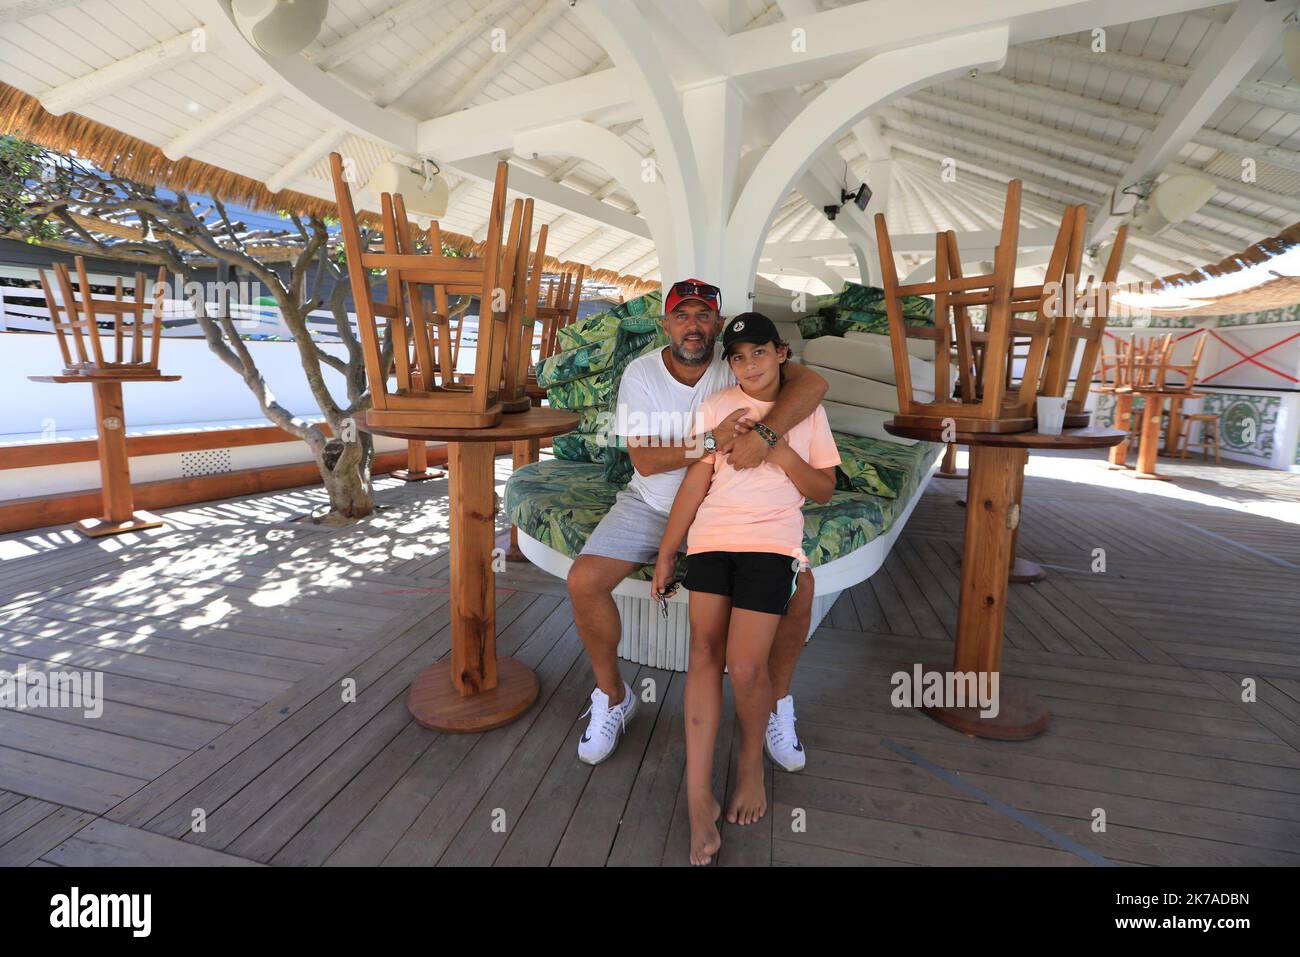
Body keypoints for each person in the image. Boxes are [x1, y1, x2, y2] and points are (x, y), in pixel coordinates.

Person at [566, 280, 828, 770]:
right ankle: (613, 695)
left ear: (718, 325)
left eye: (703, 316)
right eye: (682, 316)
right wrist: (712, 440)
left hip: (724, 510)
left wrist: (768, 435)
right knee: (583, 581)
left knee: (802, 590)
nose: (693, 326)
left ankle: (777, 703)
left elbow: (813, 385)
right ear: (666, 324)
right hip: (651, 505)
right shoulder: (641, 374)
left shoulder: (736, 363)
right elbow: (644, 462)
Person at [651, 311, 840, 865]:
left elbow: (824, 489)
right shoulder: (717, 407)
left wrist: (778, 451)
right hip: (711, 541)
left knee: (748, 666)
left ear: (782, 353)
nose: (749, 365)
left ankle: (751, 767)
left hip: (771, 547)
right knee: (703, 653)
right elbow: (697, 479)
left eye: (759, 352)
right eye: (737, 357)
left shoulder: (805, 411)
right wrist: (668, 552)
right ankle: (697, 796)